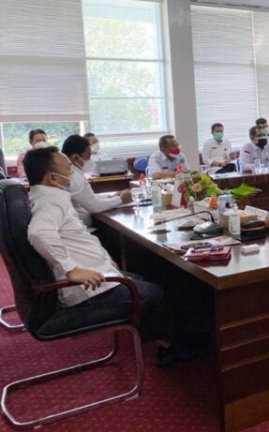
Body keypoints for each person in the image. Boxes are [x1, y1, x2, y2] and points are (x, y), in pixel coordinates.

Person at [23, 146, 180, 366]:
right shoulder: (51, 202)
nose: (71, 173)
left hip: (97, 274)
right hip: (88, 291)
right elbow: (38, 232)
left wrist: (105, 261)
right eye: (67, 168)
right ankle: (170, 348)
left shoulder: (50, 196)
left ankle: (150, 335)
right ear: (53, 178)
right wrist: (72, 269)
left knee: (145, 278)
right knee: (156, 292)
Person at [61, 135, 132, 228]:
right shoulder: (75, 177)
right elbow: (95, 206)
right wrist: (120, 199)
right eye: (88, 156)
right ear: (75, 158)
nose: (91, 161)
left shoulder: (70, 173)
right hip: (80, 228)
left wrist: (110, 196)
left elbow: (87, 197)